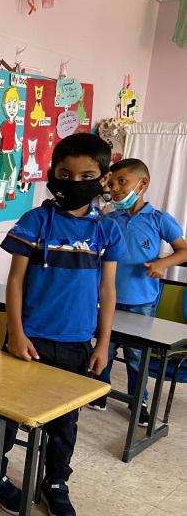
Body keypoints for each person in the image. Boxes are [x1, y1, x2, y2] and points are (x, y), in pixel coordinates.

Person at [0, 133, 127, 516]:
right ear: (52, 173)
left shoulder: (107, 231)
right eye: (65, 173)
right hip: (29, 340)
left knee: (64, 423)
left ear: (103, 179)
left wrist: (102, 344)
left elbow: (107, 291)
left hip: (78, 343)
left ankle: (56, 482)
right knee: (8, 416)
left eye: (86, 175)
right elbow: (14, 281)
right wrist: (16, 334)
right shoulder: (36, 221)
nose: (74, 182)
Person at [89, 158, 187, 425]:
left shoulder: (159, 219)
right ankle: (100, 390)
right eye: (112, 182)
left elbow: (183, 250)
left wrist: (161, 264)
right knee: (104, 348)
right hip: (107, 298)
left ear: (142, 184)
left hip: (141, 302)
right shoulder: (110, 218)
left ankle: (138, 400)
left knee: (135, 356)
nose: (116, 188)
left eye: (123, 181)